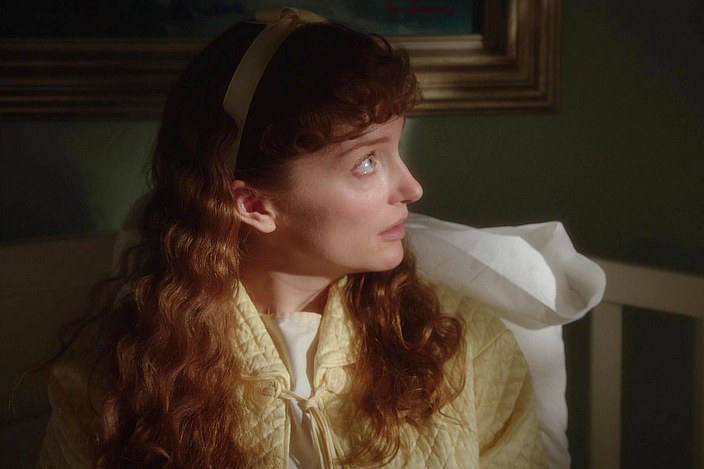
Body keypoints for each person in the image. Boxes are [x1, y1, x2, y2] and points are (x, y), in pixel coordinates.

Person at [36, 7, 545, 469]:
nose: (412, 188)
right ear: (254, 205)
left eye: (395, 150)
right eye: (367, 162)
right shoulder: (112, 379)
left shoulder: (461, 349)